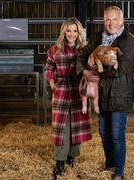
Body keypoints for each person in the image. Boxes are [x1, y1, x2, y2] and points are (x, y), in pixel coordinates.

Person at [76, 6, 134, 180]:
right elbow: (82, 53)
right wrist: (84, 71)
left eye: (114, 19)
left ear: (121, 21)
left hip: (120, 93)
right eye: (107, 20)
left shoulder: (129, 41)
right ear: (104, 21)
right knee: (104, 132)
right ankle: (110, 163)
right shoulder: (98, 37)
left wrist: (95, 71)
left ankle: (119, 172)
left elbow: (120, 69)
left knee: (117, 134)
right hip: (101, 93)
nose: (110, 23)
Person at [45, 17, 92, 177]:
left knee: (76, 125)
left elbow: (91, 67)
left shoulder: (84, 49)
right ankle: (60, 161)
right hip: (62, 88)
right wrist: (53, 84)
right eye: (69, 30)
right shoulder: (54, 50)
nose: (71, 34)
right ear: (64, 32)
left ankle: (72, 157)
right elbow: (49, 67)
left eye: (75, 31)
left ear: (79, 33)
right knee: (61, 126)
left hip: (79, 89)